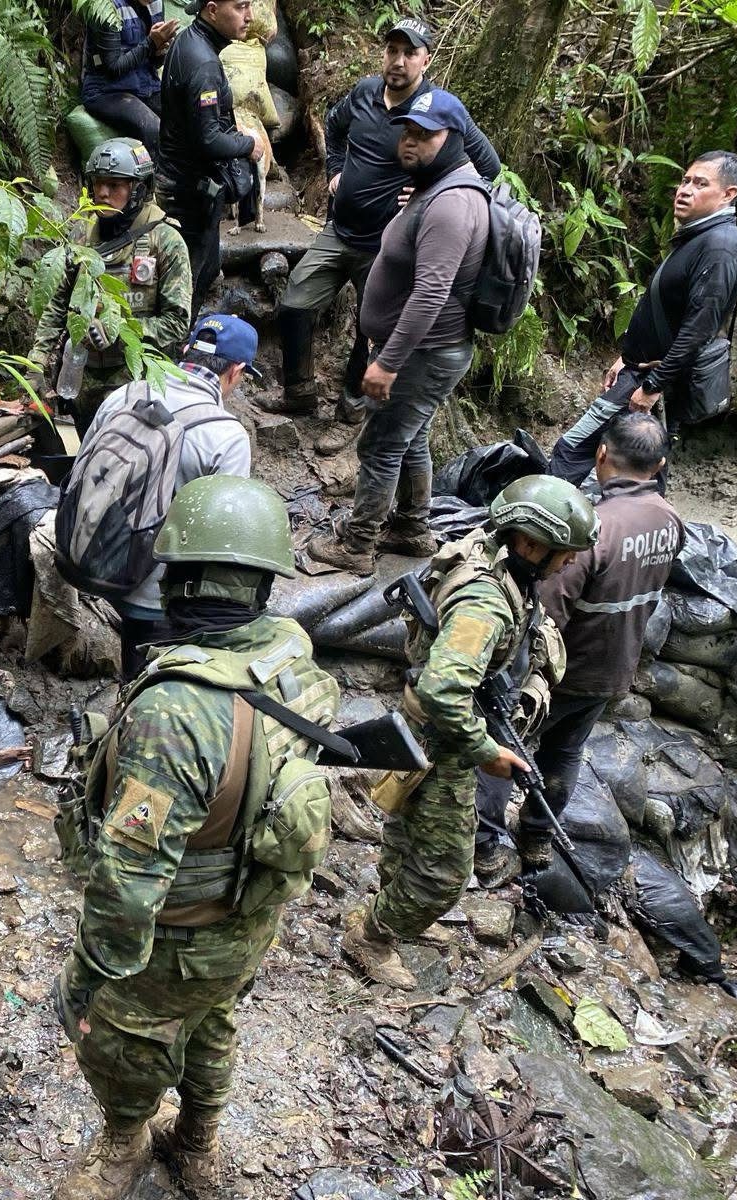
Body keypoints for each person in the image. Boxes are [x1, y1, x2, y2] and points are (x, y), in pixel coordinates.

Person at [53, 475, 340, 1199]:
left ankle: (126, 1140)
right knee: (214, 1021)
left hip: (178, 935)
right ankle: (200, 1141)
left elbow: (127, 881)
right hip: (252, 914)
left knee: (123, 1038)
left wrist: (90, 978)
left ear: (182, 578)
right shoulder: (289, 656)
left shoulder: (178, 709)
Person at [342, 476, 598, 990]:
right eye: (562, 552)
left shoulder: (498, 560)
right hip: (444, 739)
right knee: (445, 872)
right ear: (529, 542)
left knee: (410, 831)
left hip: (438, 732)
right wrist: (486, 751)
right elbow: (442, 690)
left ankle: (395, 906)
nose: (569, 563)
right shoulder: (486, 602)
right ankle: (372, 935)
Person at [476, 414, 683, 883]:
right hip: (614, 668)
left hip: (561, 670)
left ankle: (484, 847)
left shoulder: (593, 530)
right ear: (660, 465)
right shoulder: (670, 519)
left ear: (602, 455)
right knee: (565, 752)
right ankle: (536, 837)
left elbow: (546, 611)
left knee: (499, 745)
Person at [269, 17, 498, 418]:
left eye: (410, 53)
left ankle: (353, 405)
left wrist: (432, 191)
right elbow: (335, 128)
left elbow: (488, 167)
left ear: (426, 59)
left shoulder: (439, 110)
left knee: (369, 329)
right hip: (339, 231)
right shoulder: (364, 93)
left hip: (387, 246)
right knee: (294, 305)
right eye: (392, 51)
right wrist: (335, 170)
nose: (399, 60)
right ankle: (298, 392)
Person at [308, 88, 491, 574]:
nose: (409, 143)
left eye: (423, 136)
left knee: (381, 445)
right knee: (411, 437)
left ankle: (358, 543)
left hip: (424, 353)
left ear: (453, 139)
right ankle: (410, 528)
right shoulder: (439, 188)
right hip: (426, 350)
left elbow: (431, 292)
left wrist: (387, 362)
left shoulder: (452, 206)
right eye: (407, 132)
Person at [549, 151, 737, 485]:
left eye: (700, 183)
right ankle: (646, 531)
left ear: (728, 194)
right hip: (643, 371)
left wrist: (653, 386)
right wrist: (627, 357)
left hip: (654, 380)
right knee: (640, 465)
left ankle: (543, 530)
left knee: (579, 451)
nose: (685, 189)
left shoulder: (720, 246)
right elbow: (668, 310)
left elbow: (700, 326)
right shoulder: (700, 237)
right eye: (685, 180)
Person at [88, 312, 255, 678]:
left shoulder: (124, 395)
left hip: (93, 569)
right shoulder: (226, 436)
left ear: (185, 351)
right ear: (236, 371)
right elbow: (221, 541)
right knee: (145, 686)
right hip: (155, 598)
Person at [31, 137, 194, 435]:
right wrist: (35, 362)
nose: (102, 193)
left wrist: (120, 333)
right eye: (97, 184)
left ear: (139, 188)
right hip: (81, 378)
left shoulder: (165, 242)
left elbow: (177, 322)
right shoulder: (81, 234)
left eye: (115, 185)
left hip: (136, 383)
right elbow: (57, 305)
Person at [157, 0, 263, 310]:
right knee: (182, 290)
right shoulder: (203, 64)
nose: (250, 16)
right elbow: (208, 140)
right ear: (212, 10)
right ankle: (169, 353)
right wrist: (248, 144)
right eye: (241, 6)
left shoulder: (188, 41)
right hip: (189, 193)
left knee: (207, 269)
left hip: (184, 184)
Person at [79, 0, 178, 159]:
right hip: (107, 91)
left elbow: (155, 62)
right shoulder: (106, 6)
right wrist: (151, 43)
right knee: (153, 130)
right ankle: (153, 181)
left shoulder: (157, 3)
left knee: (184, 119)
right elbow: (113, 68)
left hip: (147, 85)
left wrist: (161, 49)